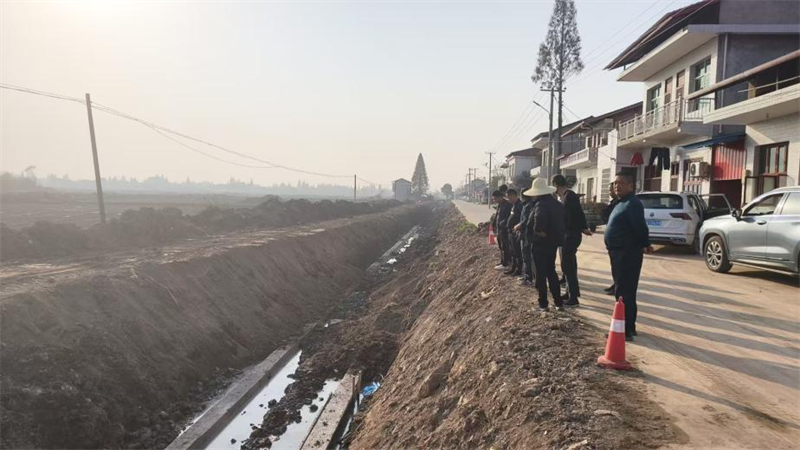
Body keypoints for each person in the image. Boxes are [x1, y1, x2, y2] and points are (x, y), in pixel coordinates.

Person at [605, 172, 653, 341]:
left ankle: (624, 330)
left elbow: (640, 227)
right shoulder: (620, 203)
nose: (617, 186)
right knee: (622, 290)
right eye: (615, 183)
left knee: (624, 291)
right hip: (618, 252)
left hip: (627, 253)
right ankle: (628, 327)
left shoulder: (633, 204)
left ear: (631, 186)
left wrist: (645, 243)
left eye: (621, 183)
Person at [524, 178, 565, 311]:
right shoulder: (557, 204)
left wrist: (539, 232)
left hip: (540, 244)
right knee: (551, 272)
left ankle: (543, 304)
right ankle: (558, 302)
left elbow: (539, 222)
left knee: (540, 275)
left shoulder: (540, 205)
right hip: (552, 244)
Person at [552, 175, 593, 307]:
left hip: (570, 236)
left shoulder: (570, 196)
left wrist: (583, 228)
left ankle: (573, 297)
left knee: (569, 266)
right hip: (566, 235)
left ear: (556, 184)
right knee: (566, 266)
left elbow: (577, 214)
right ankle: (569, 292)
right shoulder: (564, 197)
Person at [602, 182, 620, 295]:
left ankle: (617, 286)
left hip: (618, 241)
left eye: (610, 190)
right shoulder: (613, 202)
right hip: (612, 241)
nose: (609, 192)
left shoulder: (619, 203)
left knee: (618, 267)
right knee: (614, 266)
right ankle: (615, 284)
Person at [514, 190, 536, 285]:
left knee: (526, 257)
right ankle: (528, 276)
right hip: (525, 234)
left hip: (526, 235)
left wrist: (518, 226)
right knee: (526, 257)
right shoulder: (527, 205)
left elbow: (526, 220)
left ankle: (528, 278)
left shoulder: (528, 206)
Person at [505, 189, 523, 276]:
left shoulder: (520, 205)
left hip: (515, 232)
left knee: (517, 252)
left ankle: (518, 270)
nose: (509, 199)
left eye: (509, 197)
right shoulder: (513, 205)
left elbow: (521, 219)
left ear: (514, 196)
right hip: (510, 232)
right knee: (512, 251)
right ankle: (513, 267)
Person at [493, 190, 512, 270]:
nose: (494, 200)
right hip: (499, 230)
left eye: (495, 198)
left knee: (505, 247)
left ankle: (506, 264)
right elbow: (497, 216)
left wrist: (503, 224)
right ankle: (502, 261)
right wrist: (494, 224)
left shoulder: (507, 205)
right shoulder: (500, 205)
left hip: (504, 230)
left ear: (500, 197)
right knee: (501, 247)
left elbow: (509, 217)